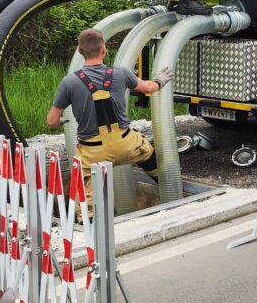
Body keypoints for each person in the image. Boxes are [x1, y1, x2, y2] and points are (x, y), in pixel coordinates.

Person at [46, 28, 175, 212]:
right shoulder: (121, 73)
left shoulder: (69, 82)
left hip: (92, 153)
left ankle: (88, 223)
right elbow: (148, 87)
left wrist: (58, 124)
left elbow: (51, 121)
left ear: (80, 51)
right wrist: (160, 80)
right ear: (104, 50)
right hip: (126, 144)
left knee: (84, 200)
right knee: (148, 153)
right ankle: (167, 185)